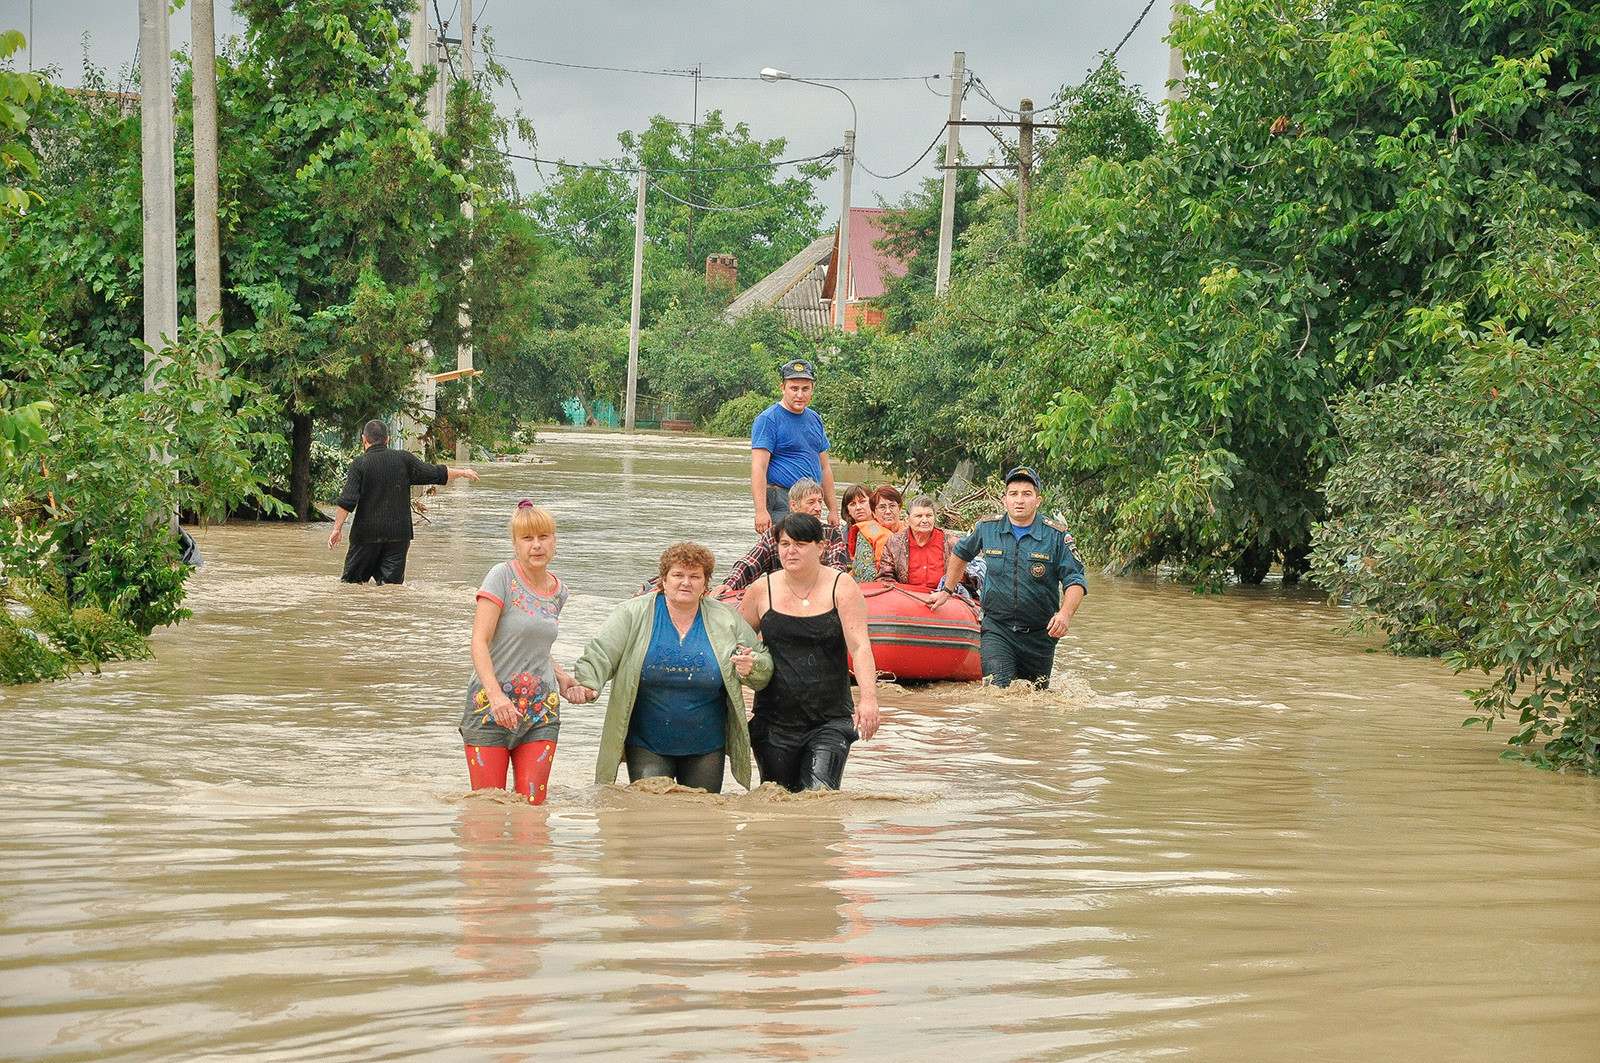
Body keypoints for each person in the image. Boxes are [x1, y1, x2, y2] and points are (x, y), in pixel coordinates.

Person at [572, 542, 772, 793]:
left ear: (705, 585)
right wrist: (587, 684)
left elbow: (763, 661)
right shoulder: (632, 614)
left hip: (707, 744)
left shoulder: (725, 618)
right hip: (646, 742)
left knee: (703, 819)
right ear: (663, 581)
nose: (685, 582)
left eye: (694, 577)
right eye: (677, 575)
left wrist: (751, 667)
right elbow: (600, 653)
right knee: (650, 816)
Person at [737, 513, 881, 792]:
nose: (791, 551)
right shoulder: (761, 589)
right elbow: (737, 645)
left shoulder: (842, 586)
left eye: (800, 544)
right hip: (773, 721)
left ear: (820, 547)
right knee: (776, 799)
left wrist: (869, 699)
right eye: (784, 544)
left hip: (829, 719)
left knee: (820, 796)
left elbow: (860, 645)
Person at [462, 502, 592, 804]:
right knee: (488, 809)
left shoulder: (560, 591)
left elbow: (537, 646)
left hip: (540, 710)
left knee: (533, 810)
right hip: (490, 710)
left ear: (555, 542)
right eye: (527, 538)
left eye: (544, 537)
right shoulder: (501, 577)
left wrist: (562, 678)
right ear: (515, 544)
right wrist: (496, 697)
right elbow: (479, 641)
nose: (536, 545)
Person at [928, 467, 1087, 688]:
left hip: (1041, 634)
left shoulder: (1056, 535)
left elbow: (1075, 579)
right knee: (997, 692)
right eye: (1013, 494)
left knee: (1035, 700)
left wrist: (1065, 615)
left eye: (1026, 494)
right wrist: (946, 591)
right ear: (1004, 500)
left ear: (1038, 500)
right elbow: (960, 552)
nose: (1019, 500)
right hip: (997, 628)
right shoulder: (987, 527)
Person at [328, 418, 478, 584]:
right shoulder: (404, 460)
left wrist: (337, 529)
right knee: (390, 589)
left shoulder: (360, 464)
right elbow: (436, 473)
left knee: (351, 585)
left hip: (366, 535)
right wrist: (463, 472)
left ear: (364, 439)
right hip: (399, 535)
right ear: (387, 440)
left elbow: (348, 500)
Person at [715, 479, 849, 595]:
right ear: (793, 506)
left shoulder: (831, 534)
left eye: (820, 502)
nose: (818, 508)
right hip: (780, 595)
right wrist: (730, 584)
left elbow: (837, 567)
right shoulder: (774, 534)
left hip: (820, 593)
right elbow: (750, 563)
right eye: (811, 502)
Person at [750, 359, 836, 534]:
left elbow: (824, 467)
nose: (799, 395)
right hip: (781, 500)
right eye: (794, 388)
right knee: (785, 553)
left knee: (808, 552)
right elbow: (758, 467)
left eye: (805, 389)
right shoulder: (768, 420)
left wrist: (833, 509)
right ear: (783, 388)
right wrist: (761, 511)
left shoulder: (815, 419)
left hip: (811, 501)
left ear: (812, 390)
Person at [877, 494, 961, 594]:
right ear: (907, 520)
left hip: (945, 597)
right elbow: (885, 577)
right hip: (907, 598)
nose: (925, 520)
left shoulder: (952, 541)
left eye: (929, 516)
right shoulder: (895, 542)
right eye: (918, 516)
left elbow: (970, 575)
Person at [850, 485, 904, 582]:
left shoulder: (910, 530)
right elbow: (864, 575)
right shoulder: (865, 533)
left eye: (892, 506)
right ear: (874, 512)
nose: (888, 511)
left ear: (899, 509)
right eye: (882, 507)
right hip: (878, 587)